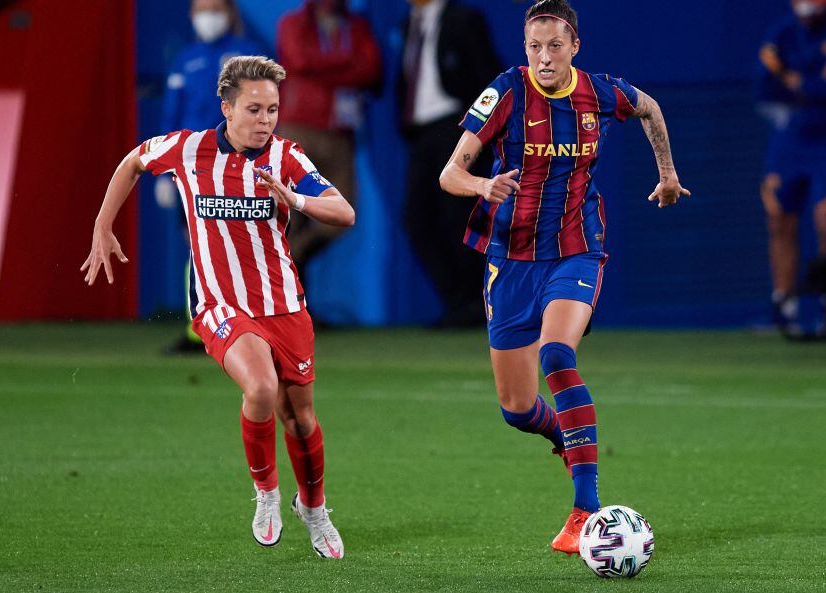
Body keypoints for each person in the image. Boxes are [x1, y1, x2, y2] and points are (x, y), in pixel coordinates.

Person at [438, 0, 690, 554]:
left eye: (555, 46)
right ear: (524, 48)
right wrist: (481, 186)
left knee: (557, 353)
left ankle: (586, 510)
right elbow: (449, 172)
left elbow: (649, 109)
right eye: (535, 47)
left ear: (575, 45)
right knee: (517, 409)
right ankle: (564, 434)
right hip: (509, 259)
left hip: (577, 250)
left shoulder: (600, 92)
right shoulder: (505, 93)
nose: (545, 57)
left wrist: (667, 174)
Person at [81, 56, 355, 559]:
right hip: (220, 304)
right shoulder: (188, 149)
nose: (265, 120)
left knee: (300, 419)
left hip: (283, 305)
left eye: (272, 109)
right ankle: (267, 495)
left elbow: (344, 212)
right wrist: (103, 224)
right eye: (254, 109)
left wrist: (293, 199)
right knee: (261, 386)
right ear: (226, 108)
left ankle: (313, 509)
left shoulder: (287, 158)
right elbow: (133, 162)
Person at [158, 0, 266, 353]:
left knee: (245, 245)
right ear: (191, 15)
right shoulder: (184, 59)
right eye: (202, 9)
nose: (208, 17)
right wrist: (162, 170)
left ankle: (254, 328)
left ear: (230, 12)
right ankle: (201, 330)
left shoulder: (249, 56)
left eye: (215, 8)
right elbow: (172, 117)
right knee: (197, 248)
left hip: (238, 165)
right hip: (192, 168)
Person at [399, 0, 502, 326]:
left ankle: (475, 303)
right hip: (422, 135)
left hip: (456, 129)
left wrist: (478, 132)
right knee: (417, 220)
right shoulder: (408, 25)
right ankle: (459, 301)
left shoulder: (464, 19)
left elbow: (488, 78)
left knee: (459, 219)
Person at [276, 0, 381, 281]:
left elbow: (370, 69)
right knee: (290, 216)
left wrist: (321, 68)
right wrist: (347, 63)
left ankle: (292, 255)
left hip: (339, 134)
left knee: (342, 212)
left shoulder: (356, 26)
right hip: (298, 127)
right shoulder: (293, 22)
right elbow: (298, 60)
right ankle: (296, 308)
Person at [758, 0, 826, 336]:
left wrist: (800, 83)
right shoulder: (782, 33)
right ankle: (784, 304)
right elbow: (765, 85)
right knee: (779, 217)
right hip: (790, 139)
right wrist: (813, 83)